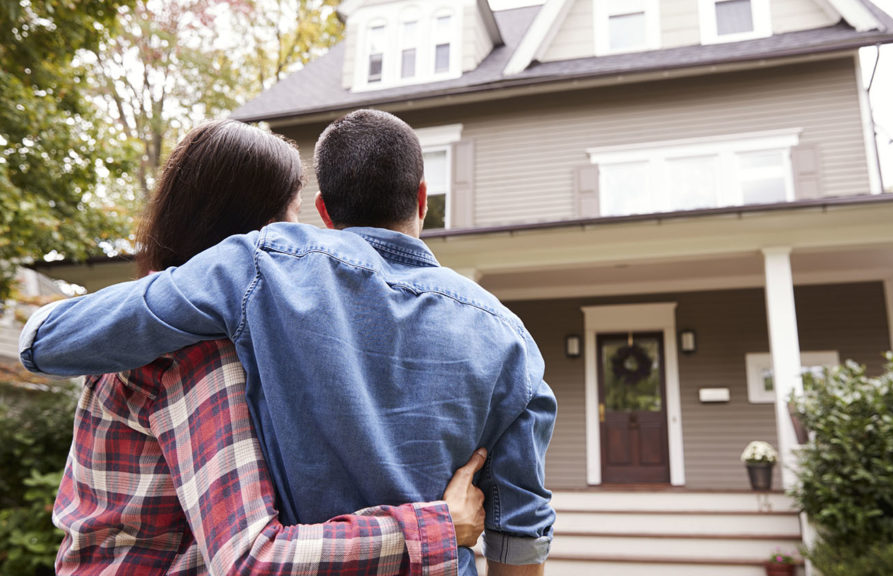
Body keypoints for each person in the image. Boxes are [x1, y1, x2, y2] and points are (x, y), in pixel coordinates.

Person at [21, 110, 557, 576]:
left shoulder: (253, 271)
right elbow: (520, 523)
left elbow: (46, 343)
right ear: (423, 199)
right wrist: (443, 527)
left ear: (325, 212)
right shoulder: (510, 338)